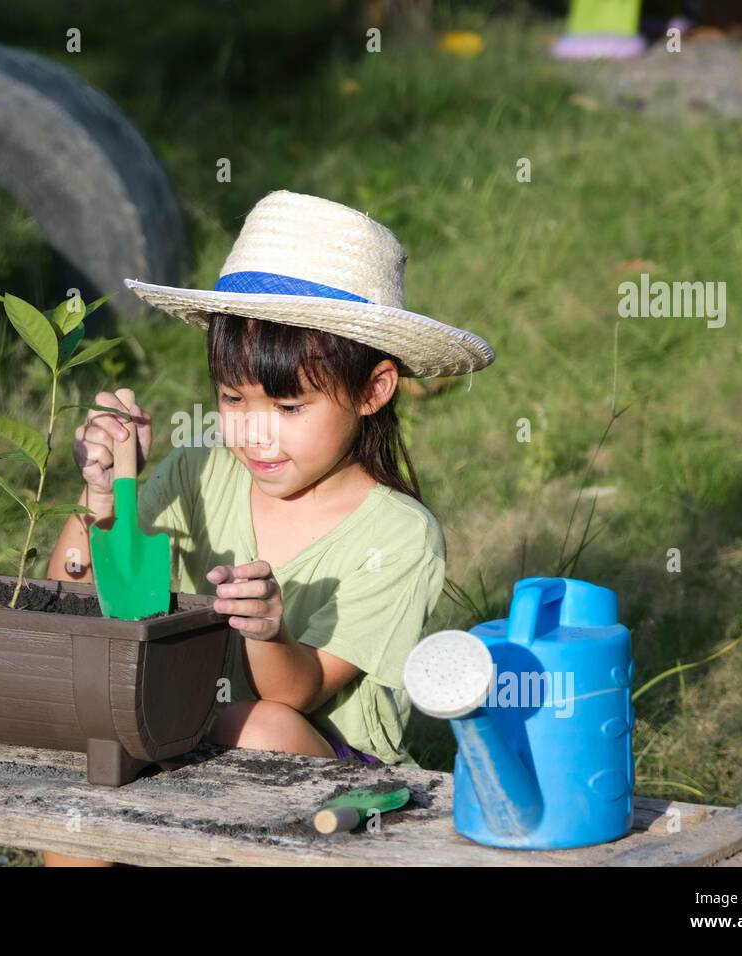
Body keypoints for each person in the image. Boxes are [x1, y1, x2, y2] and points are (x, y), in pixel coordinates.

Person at [40, 189, 495, 866]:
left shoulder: (398, 535)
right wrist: (102, 497)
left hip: (331, 791)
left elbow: (294, 696)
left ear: (373, 390)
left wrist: (269, 630)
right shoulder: (197, 477)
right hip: (181, 747)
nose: (255, 432)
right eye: (232, 398)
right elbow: (75, 604)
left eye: (289, 405)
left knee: (258, 722)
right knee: (95, 749)